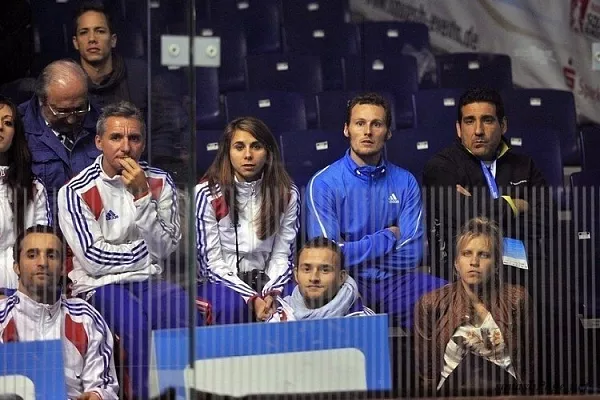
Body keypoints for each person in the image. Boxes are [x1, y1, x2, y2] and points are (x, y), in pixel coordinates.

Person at [57, 101, 200, 399]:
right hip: (99, 286)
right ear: (99, 142)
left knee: (182, 311)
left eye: (134, 138)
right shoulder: (74, 191)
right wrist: (147, 255)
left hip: (150, 282)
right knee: (133, 322)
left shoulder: (160, 181)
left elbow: (165, 247)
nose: (126, 147)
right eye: (116, 138)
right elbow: (93, 259)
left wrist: (140, 194)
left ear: (143, 143)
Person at [305, 92, 446, 329]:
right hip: (345, 281)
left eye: (376, 124)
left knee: (451, 299)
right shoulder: (323, 183)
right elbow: (326, 257)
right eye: (360, 123)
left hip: (397, 282)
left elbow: (413, 251)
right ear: (347, 129)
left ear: (388, 132)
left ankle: (434, 367)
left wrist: (352, 256)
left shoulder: (405, 181)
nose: (368, 131)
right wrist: (388, 236)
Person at [422, 88, 549, 281]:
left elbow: (545, 219)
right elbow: (461, 218)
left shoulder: (525, 166)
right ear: (459, 128)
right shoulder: (441, 167)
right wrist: (515, 205)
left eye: (487, 120)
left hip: (520, 272)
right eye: (469, 121)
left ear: (503, 125)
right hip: (462, 277)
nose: (478, 130)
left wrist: (476, 206)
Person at [72, 1, 191, 183]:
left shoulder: (141, 75)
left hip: (143, 170)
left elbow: (164, 129)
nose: (92, 38)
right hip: (88, 179)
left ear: (113, 40)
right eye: (84, 32)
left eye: (100, 31)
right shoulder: (68, 84)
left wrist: (150, 172)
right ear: (75, 42)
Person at [195, 116, 299, 324]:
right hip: (221, 281)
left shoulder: (287, 193)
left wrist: (270, 292)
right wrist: (250, 298)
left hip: (269, 278)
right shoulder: (207, 193)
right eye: (239, 147)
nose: (248, 155)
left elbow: (283, 255)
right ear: (228, 152)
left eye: (256, 146)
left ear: (268, 152)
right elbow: (210, 263)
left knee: (293, 303)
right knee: (230, 306)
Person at [414, 217, 532, 395]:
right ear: (456, 263)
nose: (474, 262)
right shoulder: (431, 304)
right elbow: (427, 373)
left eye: (483, 255)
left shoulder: (517, 300)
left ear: (496, 265)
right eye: (466, 253)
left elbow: (529, 363)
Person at [0, 225, 119, 399]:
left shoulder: (86, 318)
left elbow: (104, 386)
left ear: (63, 267)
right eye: (32, 255)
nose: (42, 262)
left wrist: (98, 396)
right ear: (16, 267)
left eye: (51, 255)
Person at [18, 59, 100, 218]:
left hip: (95, 230)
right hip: (44, 235)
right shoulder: (18, 130)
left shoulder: (104, 124)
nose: (71, 119)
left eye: (79, 109)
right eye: (62, 111)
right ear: (42, 100)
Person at [0, 95, 50, 291]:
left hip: (26, 294)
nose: (0, 127)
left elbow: (43, 247)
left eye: (8, 123)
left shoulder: (34, 188)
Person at [269, 237, 374, 322]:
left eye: (325, 270)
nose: (314, 278)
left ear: (341, 277)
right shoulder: (277, 319)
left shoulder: (365, 321)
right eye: (306, 269)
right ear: (296, 275)